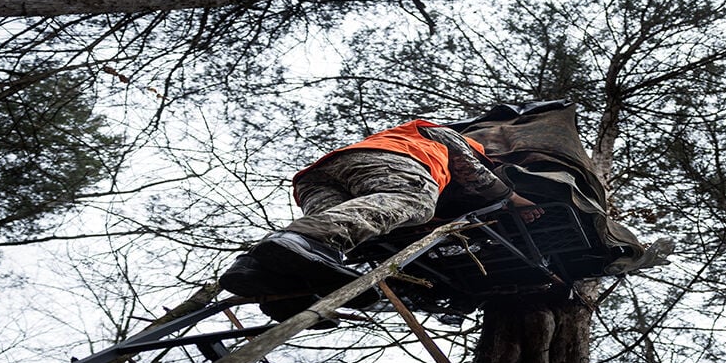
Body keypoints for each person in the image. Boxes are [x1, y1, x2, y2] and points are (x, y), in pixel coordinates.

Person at [219, 120, 542, 317]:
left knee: (339, 237)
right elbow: (471, 171)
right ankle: (308, 243)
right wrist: (511, 197)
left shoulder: (398, 136)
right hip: (387, 162)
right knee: (413, 199)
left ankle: (267, 275)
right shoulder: (445, 137)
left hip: (318, 178)